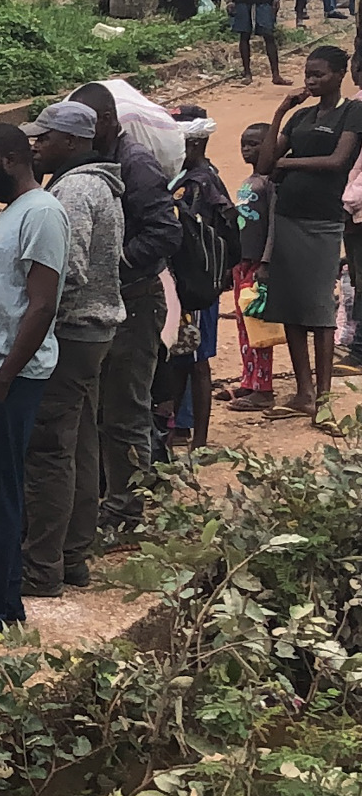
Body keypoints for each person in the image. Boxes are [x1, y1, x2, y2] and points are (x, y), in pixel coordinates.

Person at [0, 124, 68, 637]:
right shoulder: (12, 215)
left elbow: (42, 304)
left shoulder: (43, 214)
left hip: (5, 378)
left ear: (11, 159)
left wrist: (3, 380)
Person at [19, 103, 124, 598]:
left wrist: (34, 320)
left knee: (49, 452)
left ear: (74, 143)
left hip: (74, 330)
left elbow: (69, 269)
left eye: (46, 138)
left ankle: (43, 564)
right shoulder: (98, 183)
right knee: (81, 444)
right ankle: (74, 555)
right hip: (95, 332)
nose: (36, 145)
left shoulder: (76, 189)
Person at [66, 82, 179, 529]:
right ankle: (103, 496)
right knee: (96, 408)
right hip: (110, 303)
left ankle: (127, 508)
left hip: (135, 302)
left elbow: (166, 234)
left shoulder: (136, 166)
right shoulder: (94, 161)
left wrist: (115, 262)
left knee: (125, 410)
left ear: (108, 124)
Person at [253, 45, 362, 430]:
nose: (311, 81)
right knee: (290, 307)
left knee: (319, 309)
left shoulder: (353, 112)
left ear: (339, 75)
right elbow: (264, 164)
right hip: (286, 220)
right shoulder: (300, 116)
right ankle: (303, 393)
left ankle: (326, 399)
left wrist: (286, 162)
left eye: (319, 74)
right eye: (307, 74)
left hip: (322, 222)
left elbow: (338, 161)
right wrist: (280, 111)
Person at [162, 108, 237, 448]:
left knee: (196, 361)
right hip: (190, 285)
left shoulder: (197, 185)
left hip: (196, 286)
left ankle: (199, 439)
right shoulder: (194, 178)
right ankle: (177, 426)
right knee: (181, 358)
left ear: (194, 143)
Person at [226, 123, 277, 412]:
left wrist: (266, 263)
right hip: (241, 262)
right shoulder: (250, 180)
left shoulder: (270, 183)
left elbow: (273, 226)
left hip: (258, 263)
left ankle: (264, 388)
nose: (247, 149)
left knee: (259, 326)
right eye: (244, 143)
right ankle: (248, 380)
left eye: (254, 144)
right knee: (243, 325)